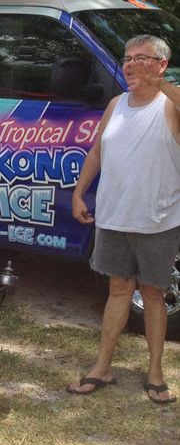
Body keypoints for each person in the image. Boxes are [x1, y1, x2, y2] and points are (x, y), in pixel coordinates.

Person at [68, 34, 179, 403]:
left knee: (153, 295)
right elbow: (97, 151)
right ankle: (102, 367)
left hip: (157, 220)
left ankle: (155, 373)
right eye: (127, 58)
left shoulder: (169, 105)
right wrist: (79, 193)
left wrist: (160, 84)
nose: (130, 64)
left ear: (161, 64)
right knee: (118, 290)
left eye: (140, 57)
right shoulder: (116, 104)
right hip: (114, 216)